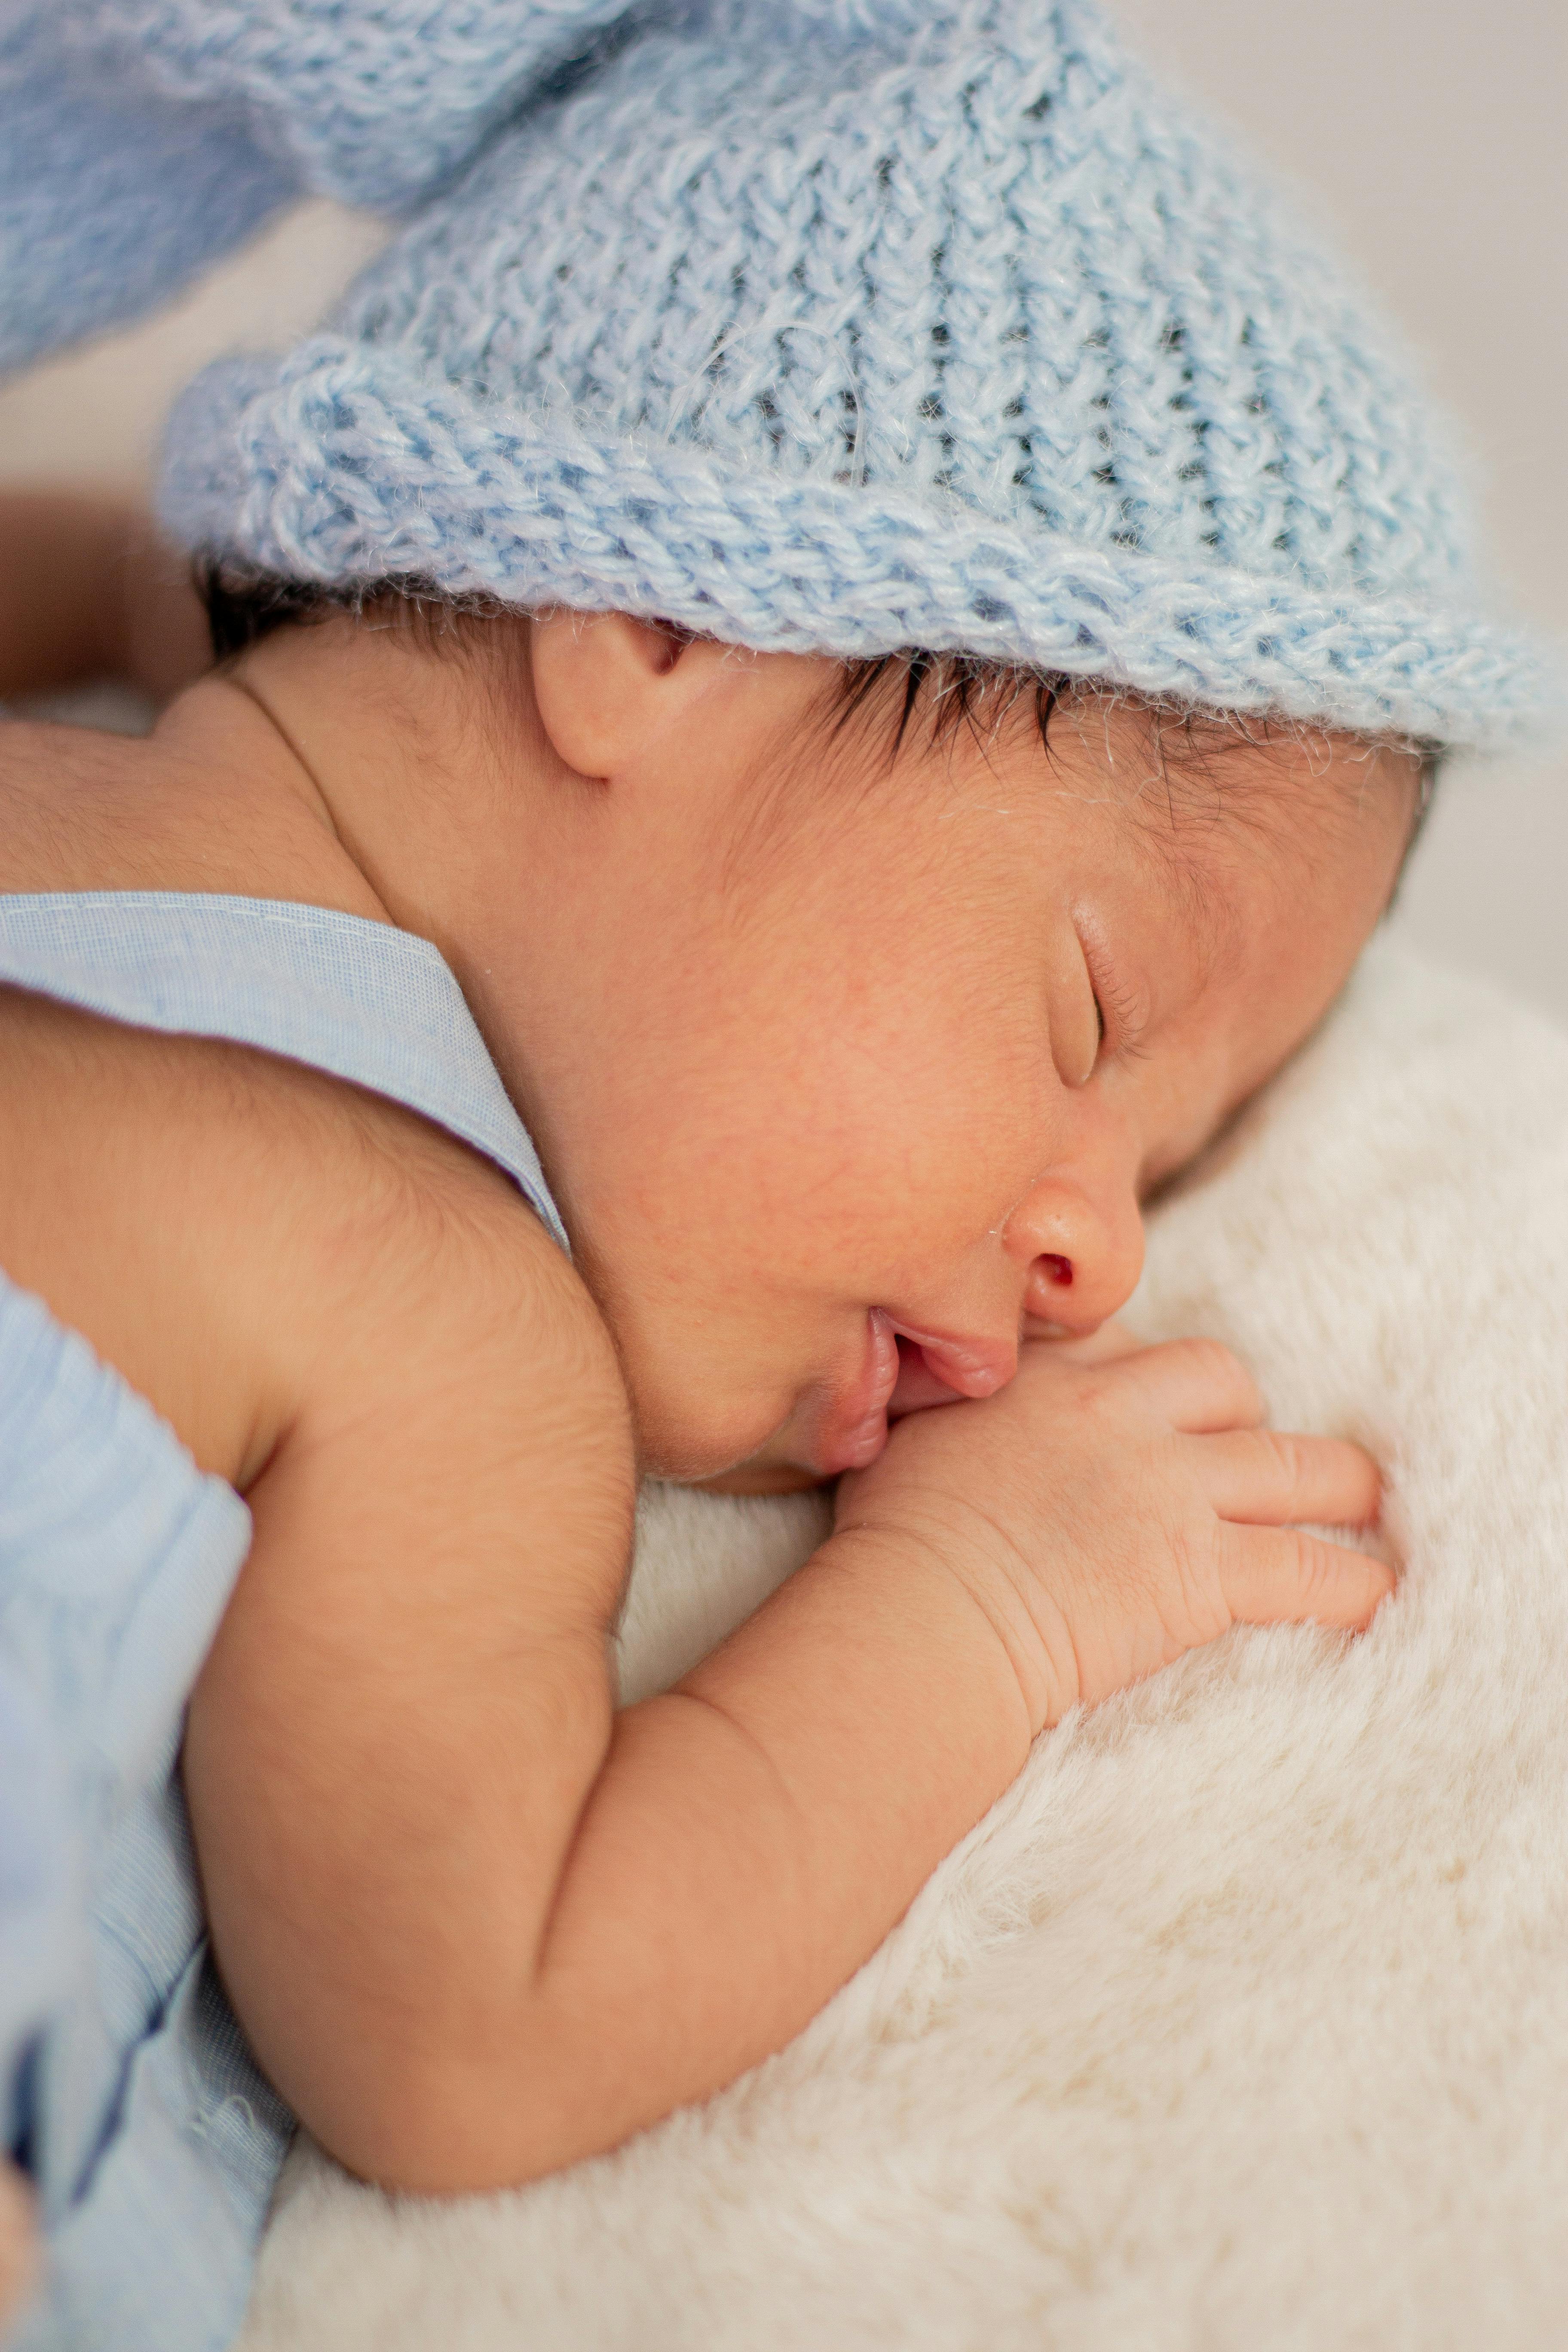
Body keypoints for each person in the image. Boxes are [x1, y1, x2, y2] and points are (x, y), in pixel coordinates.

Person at [0, 1, 1554, 2345]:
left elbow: (457, 1992)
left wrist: (161, 596)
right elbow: (483, 2019)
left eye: (1169, 1160)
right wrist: (980, 1616)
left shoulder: (369, 1223)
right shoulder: (411, 1278)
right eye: (1093, 1025)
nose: (1101, 1246)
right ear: (658, 626)